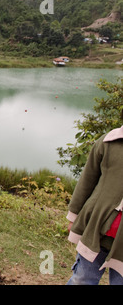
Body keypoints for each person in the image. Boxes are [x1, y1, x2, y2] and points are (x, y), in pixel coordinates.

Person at [66, 116, 123, 285]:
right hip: (96, 229)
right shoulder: (109, 142)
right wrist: (73, 216)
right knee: (82, 279)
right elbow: (87, 180)